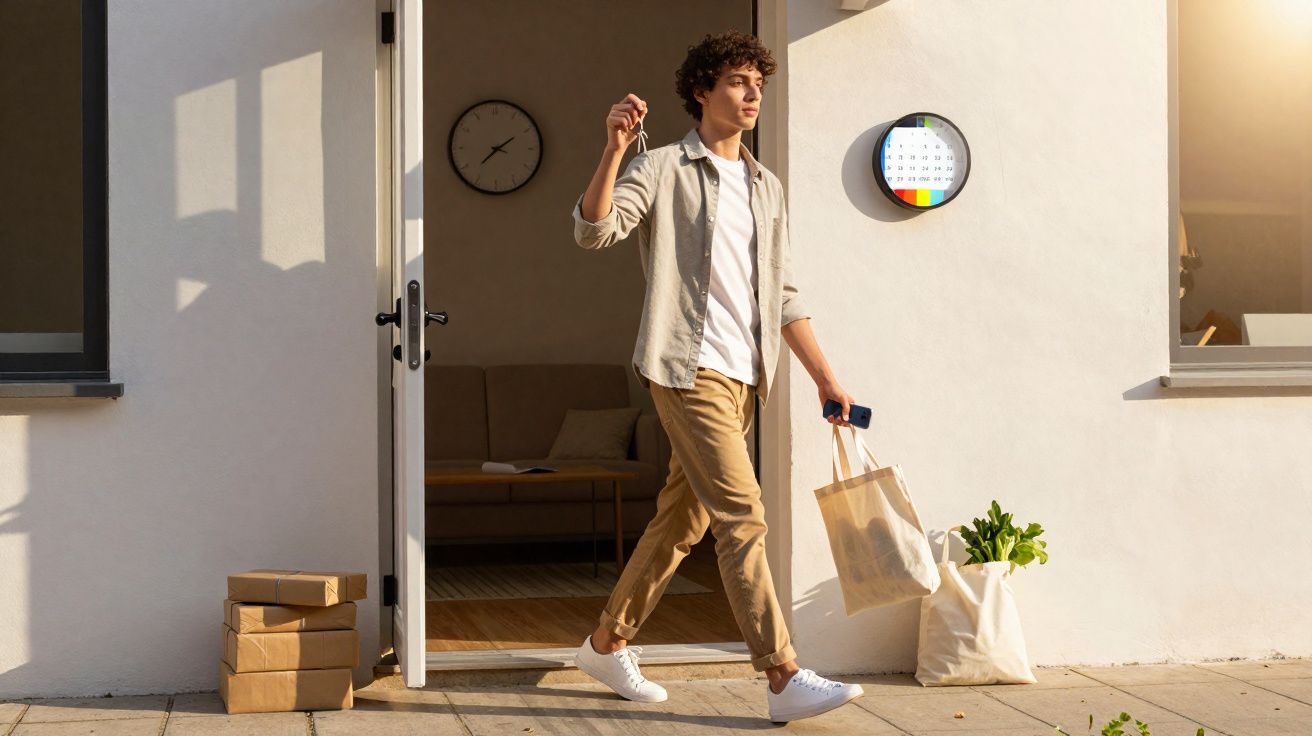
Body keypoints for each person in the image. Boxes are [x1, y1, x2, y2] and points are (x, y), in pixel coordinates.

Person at [569, 30, 863, 724]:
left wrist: (824, 377)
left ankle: (606, 644)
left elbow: (783, 293)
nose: (752, 94)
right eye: (737, 81)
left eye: (758, 83)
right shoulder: (664, 167)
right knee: (742, 516)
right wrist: (613, 151)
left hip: (744, 377)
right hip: (684, 366)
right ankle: (782, 675)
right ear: (701, 91)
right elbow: (593, 231)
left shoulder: (766, 186)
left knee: (683, 518)